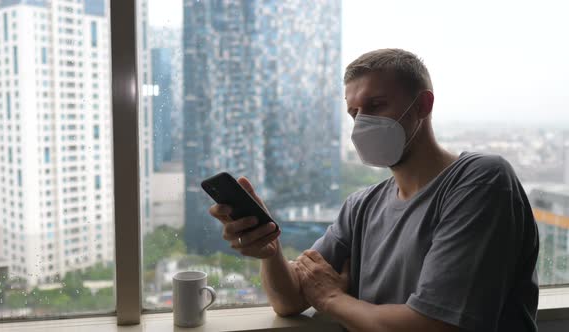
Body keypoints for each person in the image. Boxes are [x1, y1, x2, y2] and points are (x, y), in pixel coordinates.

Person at [209, 48, 539, 332]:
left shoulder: (480, 180)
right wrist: (271, 250)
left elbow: (436, 326)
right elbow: (289, 299)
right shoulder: (362, 205)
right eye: (354, 113)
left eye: (376, 105)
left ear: (423, 105)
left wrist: (332, 300)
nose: (362, 123)